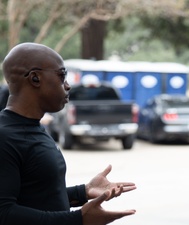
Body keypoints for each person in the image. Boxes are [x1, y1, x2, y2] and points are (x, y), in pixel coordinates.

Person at [0, 42, 137, 225]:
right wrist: (77, 219)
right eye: (62, 75)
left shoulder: (34, 127)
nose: (68, 85)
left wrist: (84, 191)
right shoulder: (5, 136)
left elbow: (37, 194)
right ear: (35, 78)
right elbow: (4, 213)